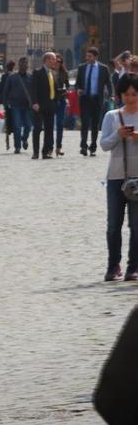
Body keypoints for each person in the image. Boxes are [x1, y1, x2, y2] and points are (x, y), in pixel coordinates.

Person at [100, 75, 138, 281]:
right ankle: (113, 265)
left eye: (134, 94)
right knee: (114, 224)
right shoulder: (111, 116)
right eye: (126, 94)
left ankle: (134, 267)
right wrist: (119, 135)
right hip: (116, 177)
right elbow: (104, 144)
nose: (130, 98)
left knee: (137, 225)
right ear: (120, 95)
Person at [75, 46, 112, 157]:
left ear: (96, 57)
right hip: (85, 99)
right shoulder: (82, 67)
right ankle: (83, 146)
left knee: (95, 124)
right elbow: (78, 82)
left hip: (97, 99)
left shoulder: (103, 68)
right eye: (87, 56)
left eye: (90, 56)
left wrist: (112, 95)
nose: (87, 58)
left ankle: (93, 146)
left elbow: (108, 83)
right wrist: (78, 89)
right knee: (85, 123)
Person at [30, 52, 58, 159]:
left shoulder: (54, 73)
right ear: (46, 60)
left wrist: (56, 102)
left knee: (49, 129)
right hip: (39, 105)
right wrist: (34, 102)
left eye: (55, 59)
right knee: (37, 128)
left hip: (51, 105)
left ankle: (45, 152)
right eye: (53, 59)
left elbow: (55, 89)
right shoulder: (37, 72)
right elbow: (33, 89)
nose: (54, 61)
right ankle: (35, 152)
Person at [2, 56, 32, 154]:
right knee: (17, 127)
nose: (24, 65)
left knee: (28, 126)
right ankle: (17, 146)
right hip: (15, 105)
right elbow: (6, 91)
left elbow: (34, 91)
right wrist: (6, 104)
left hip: (27, 106)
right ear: (18, 65)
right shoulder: (12, 77)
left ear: (28, 65)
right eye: (22, 63)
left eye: (25, 63)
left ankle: (24, 139)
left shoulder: (31, 77)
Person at [54, 54, 70, 156]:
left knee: (60, 124)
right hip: (51, 100)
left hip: (61, 100)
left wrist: (66, 91)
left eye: (59, 62)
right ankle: (49, 147)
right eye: (56, 61)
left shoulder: (64, 73)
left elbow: (68, 85)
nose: (57, 64)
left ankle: (58, 147)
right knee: (50, 124)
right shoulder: (49, 72)